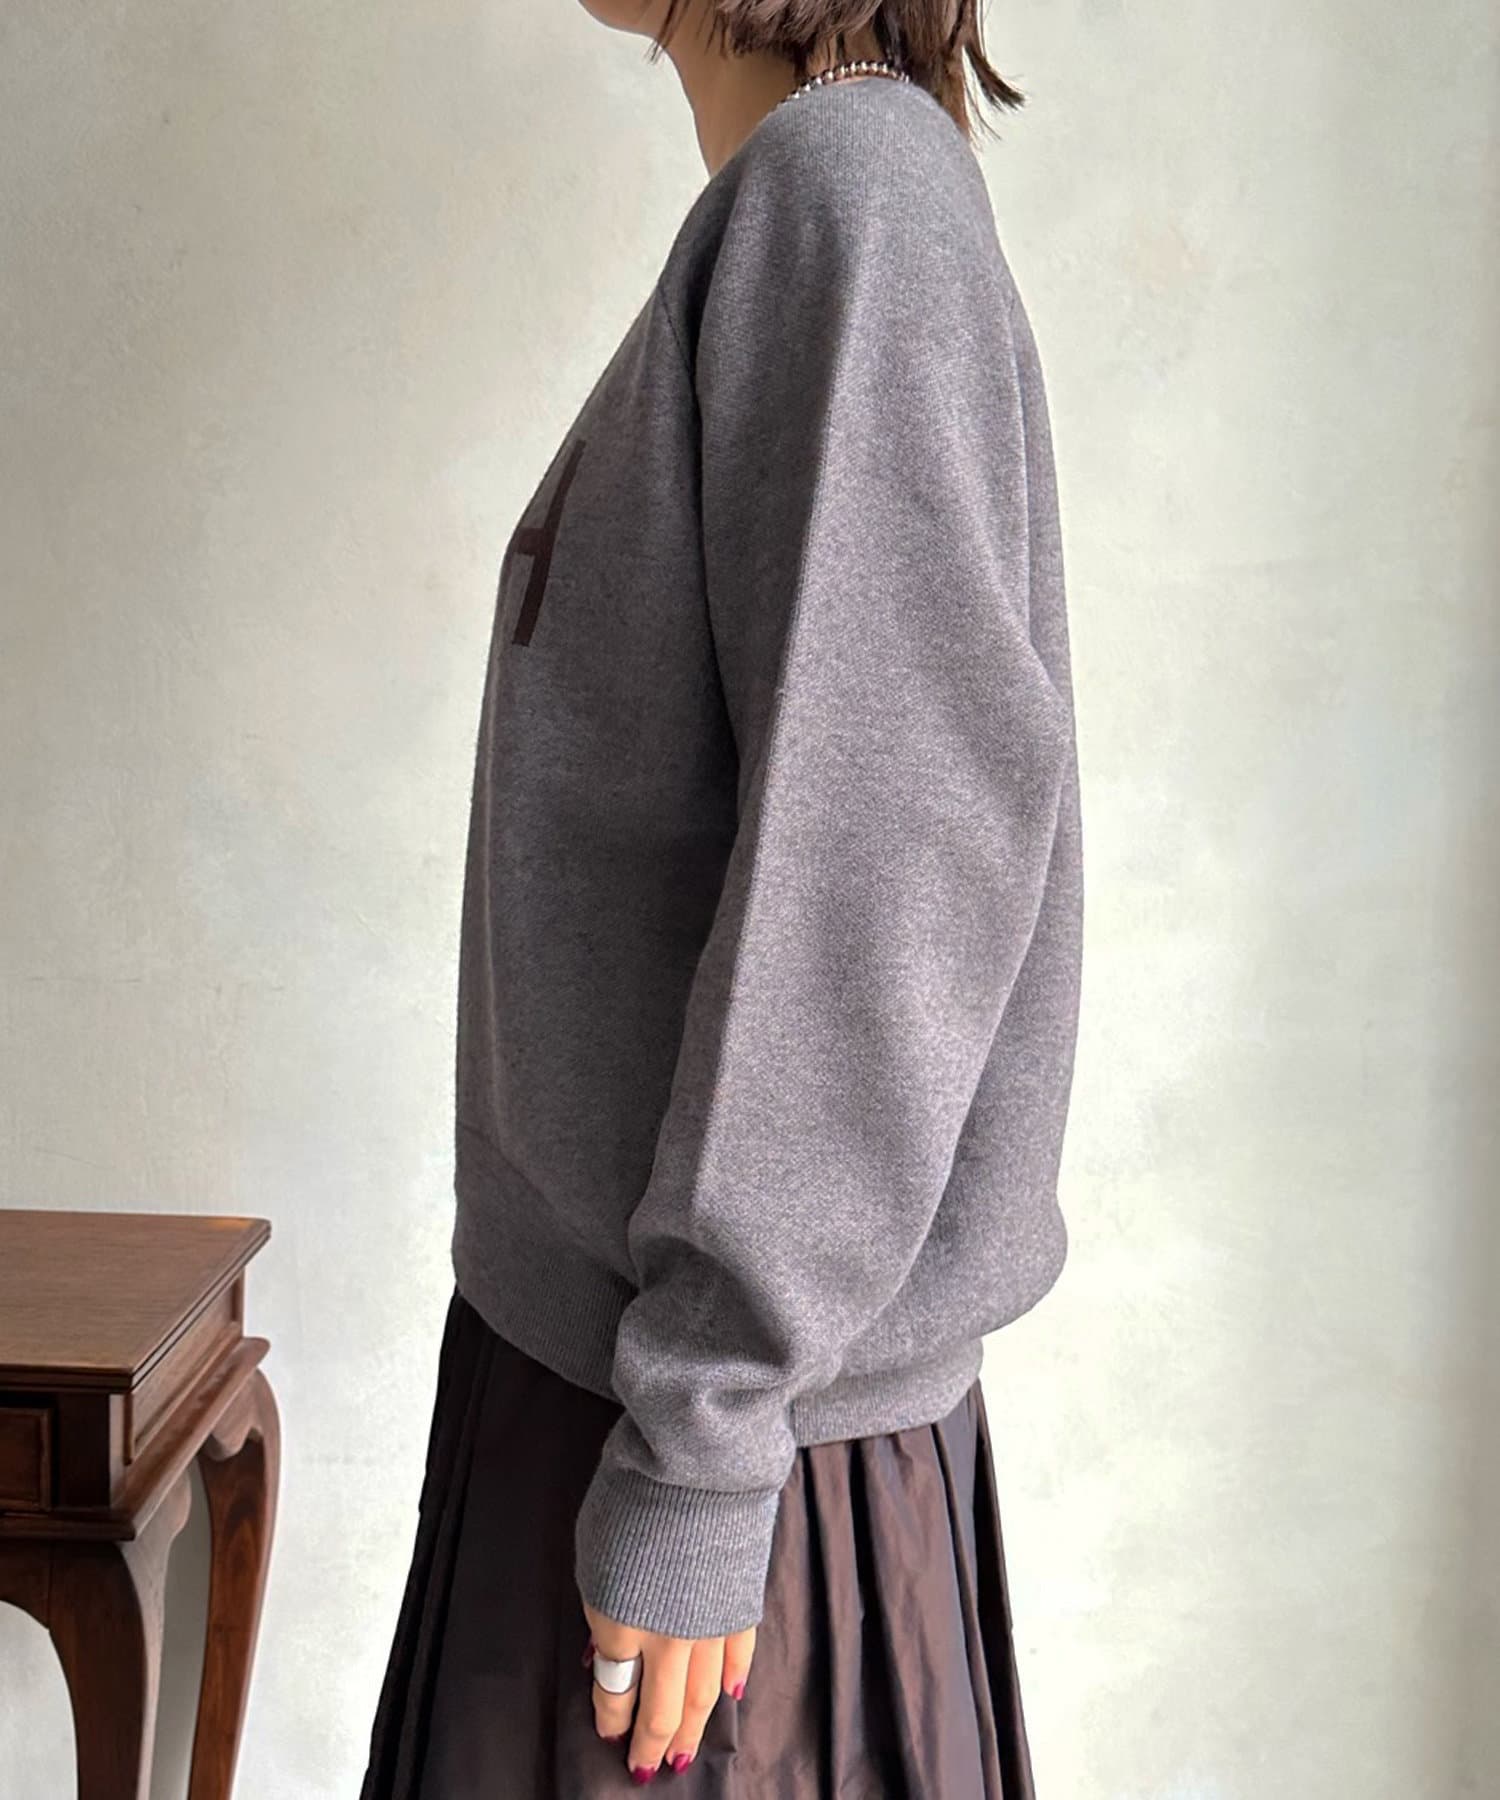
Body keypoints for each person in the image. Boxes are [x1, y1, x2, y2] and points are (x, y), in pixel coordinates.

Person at [361, 0, 1083, 1792]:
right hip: (651, 1404)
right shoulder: (815, 199)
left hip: (728, 1490)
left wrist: (702, 1444)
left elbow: (886, 861)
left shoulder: (857, 200)